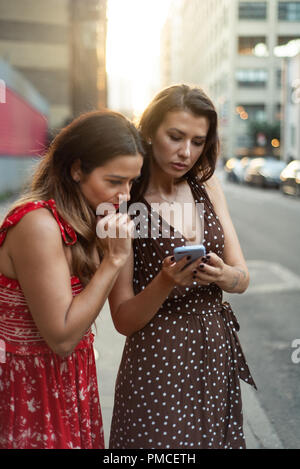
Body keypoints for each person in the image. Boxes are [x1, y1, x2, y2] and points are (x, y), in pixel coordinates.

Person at [109, 84, 256, 450]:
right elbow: (123, 319)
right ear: (148, 132)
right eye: (175, 137)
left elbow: (242, 278)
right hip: (158, 358)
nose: (185, 152)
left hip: (214, 351)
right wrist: (164, 280)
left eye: (197, 141)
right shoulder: (126, 203)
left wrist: (223, 275)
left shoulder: (209, 187)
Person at [0, 110, 144, 449]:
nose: (124, 194)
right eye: (114, 181)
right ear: (76, 169)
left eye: (131, 182)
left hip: (69, 382)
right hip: (31, 389)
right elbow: (62, 337)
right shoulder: (38, 224)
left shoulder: (83, 222)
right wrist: (115, 259)